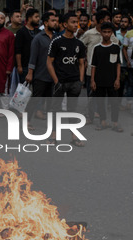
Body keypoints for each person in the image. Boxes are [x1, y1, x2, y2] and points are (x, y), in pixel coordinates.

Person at [47, 12, 86, 146]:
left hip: (74, 82)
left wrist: (80, 81)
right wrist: (56, 81)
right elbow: (49, 63)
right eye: (73, 22)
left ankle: (74, 136)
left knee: (72, 110)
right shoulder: (56, 42)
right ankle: (53, 136)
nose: (76, 25)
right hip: (60, 82)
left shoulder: (79, 44)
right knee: (55, 109)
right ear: (65, 24)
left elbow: (82, 63)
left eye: (77, 22)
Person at [81, 10, 119, 122]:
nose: (109, 21)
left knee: (104, 98)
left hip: (108, 73)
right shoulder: (89, 34)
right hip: (91, 70)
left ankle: (103, 117)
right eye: (108, 19)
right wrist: (84, 59)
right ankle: (90, 116)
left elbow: (117, 58)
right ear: (102, 20)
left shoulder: (113, 38)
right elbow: (80, 46)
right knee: (91, 95)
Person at [26, 12, 58, 124]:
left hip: (53, 75)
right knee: (35, 99)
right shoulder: (38, 38)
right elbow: (33, 57)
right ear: (45, 23)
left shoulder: (56, 38)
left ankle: (51, 124)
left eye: (56, 21)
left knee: (51, 101)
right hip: (40, 74)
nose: (55, 23)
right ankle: (27, 121)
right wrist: (30, 73)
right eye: (53, 21)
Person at [91, 22, 122, 131]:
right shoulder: (97, 48)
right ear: (101, 33)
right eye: (104, 32)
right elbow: (93, 65)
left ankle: (115, 123)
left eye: (109, 32)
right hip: (99, 80)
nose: (106, 34)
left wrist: (118, 79)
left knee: (114, 102)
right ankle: (102, 122)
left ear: (111, 33)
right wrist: (92, 80)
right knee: (100, 102)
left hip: (112, 80)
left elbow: (118, 64)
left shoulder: (116, 48)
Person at [14, 8, 39, 83]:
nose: (38, 19)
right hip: (25, 66)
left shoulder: (39, 32)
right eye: (36, 17)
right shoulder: (21, 32)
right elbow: (18, 50)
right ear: (30, 18)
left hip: (37, 67)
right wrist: (19, 66)